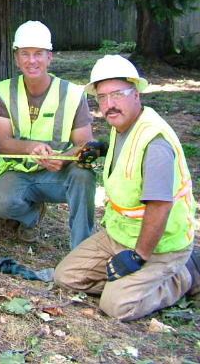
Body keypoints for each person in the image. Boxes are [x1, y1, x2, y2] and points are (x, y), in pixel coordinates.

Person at [55, 55, 199, 321]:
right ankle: (130, 284)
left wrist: (138, 256)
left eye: (117, 94)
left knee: (117, 306)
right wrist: (102, 149)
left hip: (158, 247)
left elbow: (159, 206)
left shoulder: (155, 144)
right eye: (102, 97)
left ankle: (185, 274)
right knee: (66, 277)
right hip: (118, 236)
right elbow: (128, 156)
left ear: (136, 94)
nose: (109, 105)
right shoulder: (122, 125)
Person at [0, 21, 96, 249]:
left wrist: (63, 157)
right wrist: (30, 147)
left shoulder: (73, 94)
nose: (31, 60)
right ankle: (32, 216)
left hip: (58, 175)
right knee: (0, 204)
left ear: (49, 57)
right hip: (19, 173)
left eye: (38, 54)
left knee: (83, 176)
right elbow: (4, 143)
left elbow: (85, 144)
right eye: (25, 54)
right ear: (16, 58)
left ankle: (82, 247)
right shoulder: (3, 90)